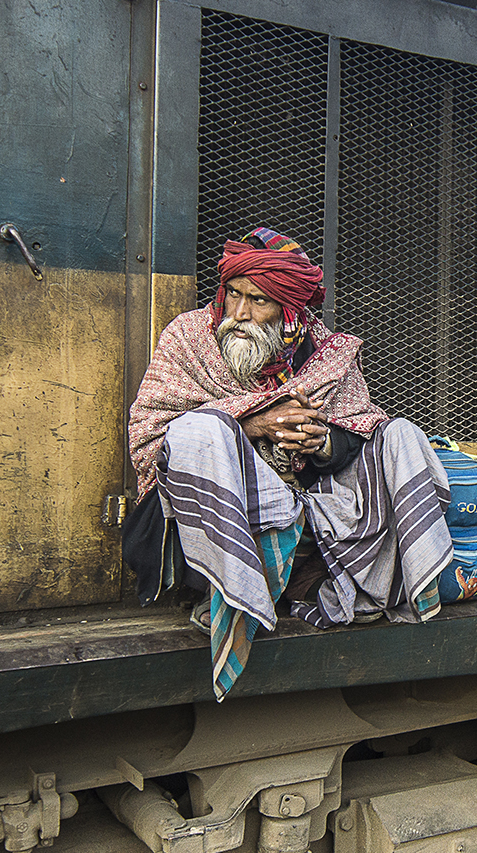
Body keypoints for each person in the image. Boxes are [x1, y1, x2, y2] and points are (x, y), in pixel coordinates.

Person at [127, 227, 455, 698]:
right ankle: (231, 595)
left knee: (400, 435)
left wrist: (321, 442)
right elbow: (152, 438)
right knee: (200, 431)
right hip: (203, 531)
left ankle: (399, 587)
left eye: (258, 301)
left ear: (290, 311)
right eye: (233, 295)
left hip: (312, 527)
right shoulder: (188, 340)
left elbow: (358, 430)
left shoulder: (324, 354)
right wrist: (252, 423)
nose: (239, 314)